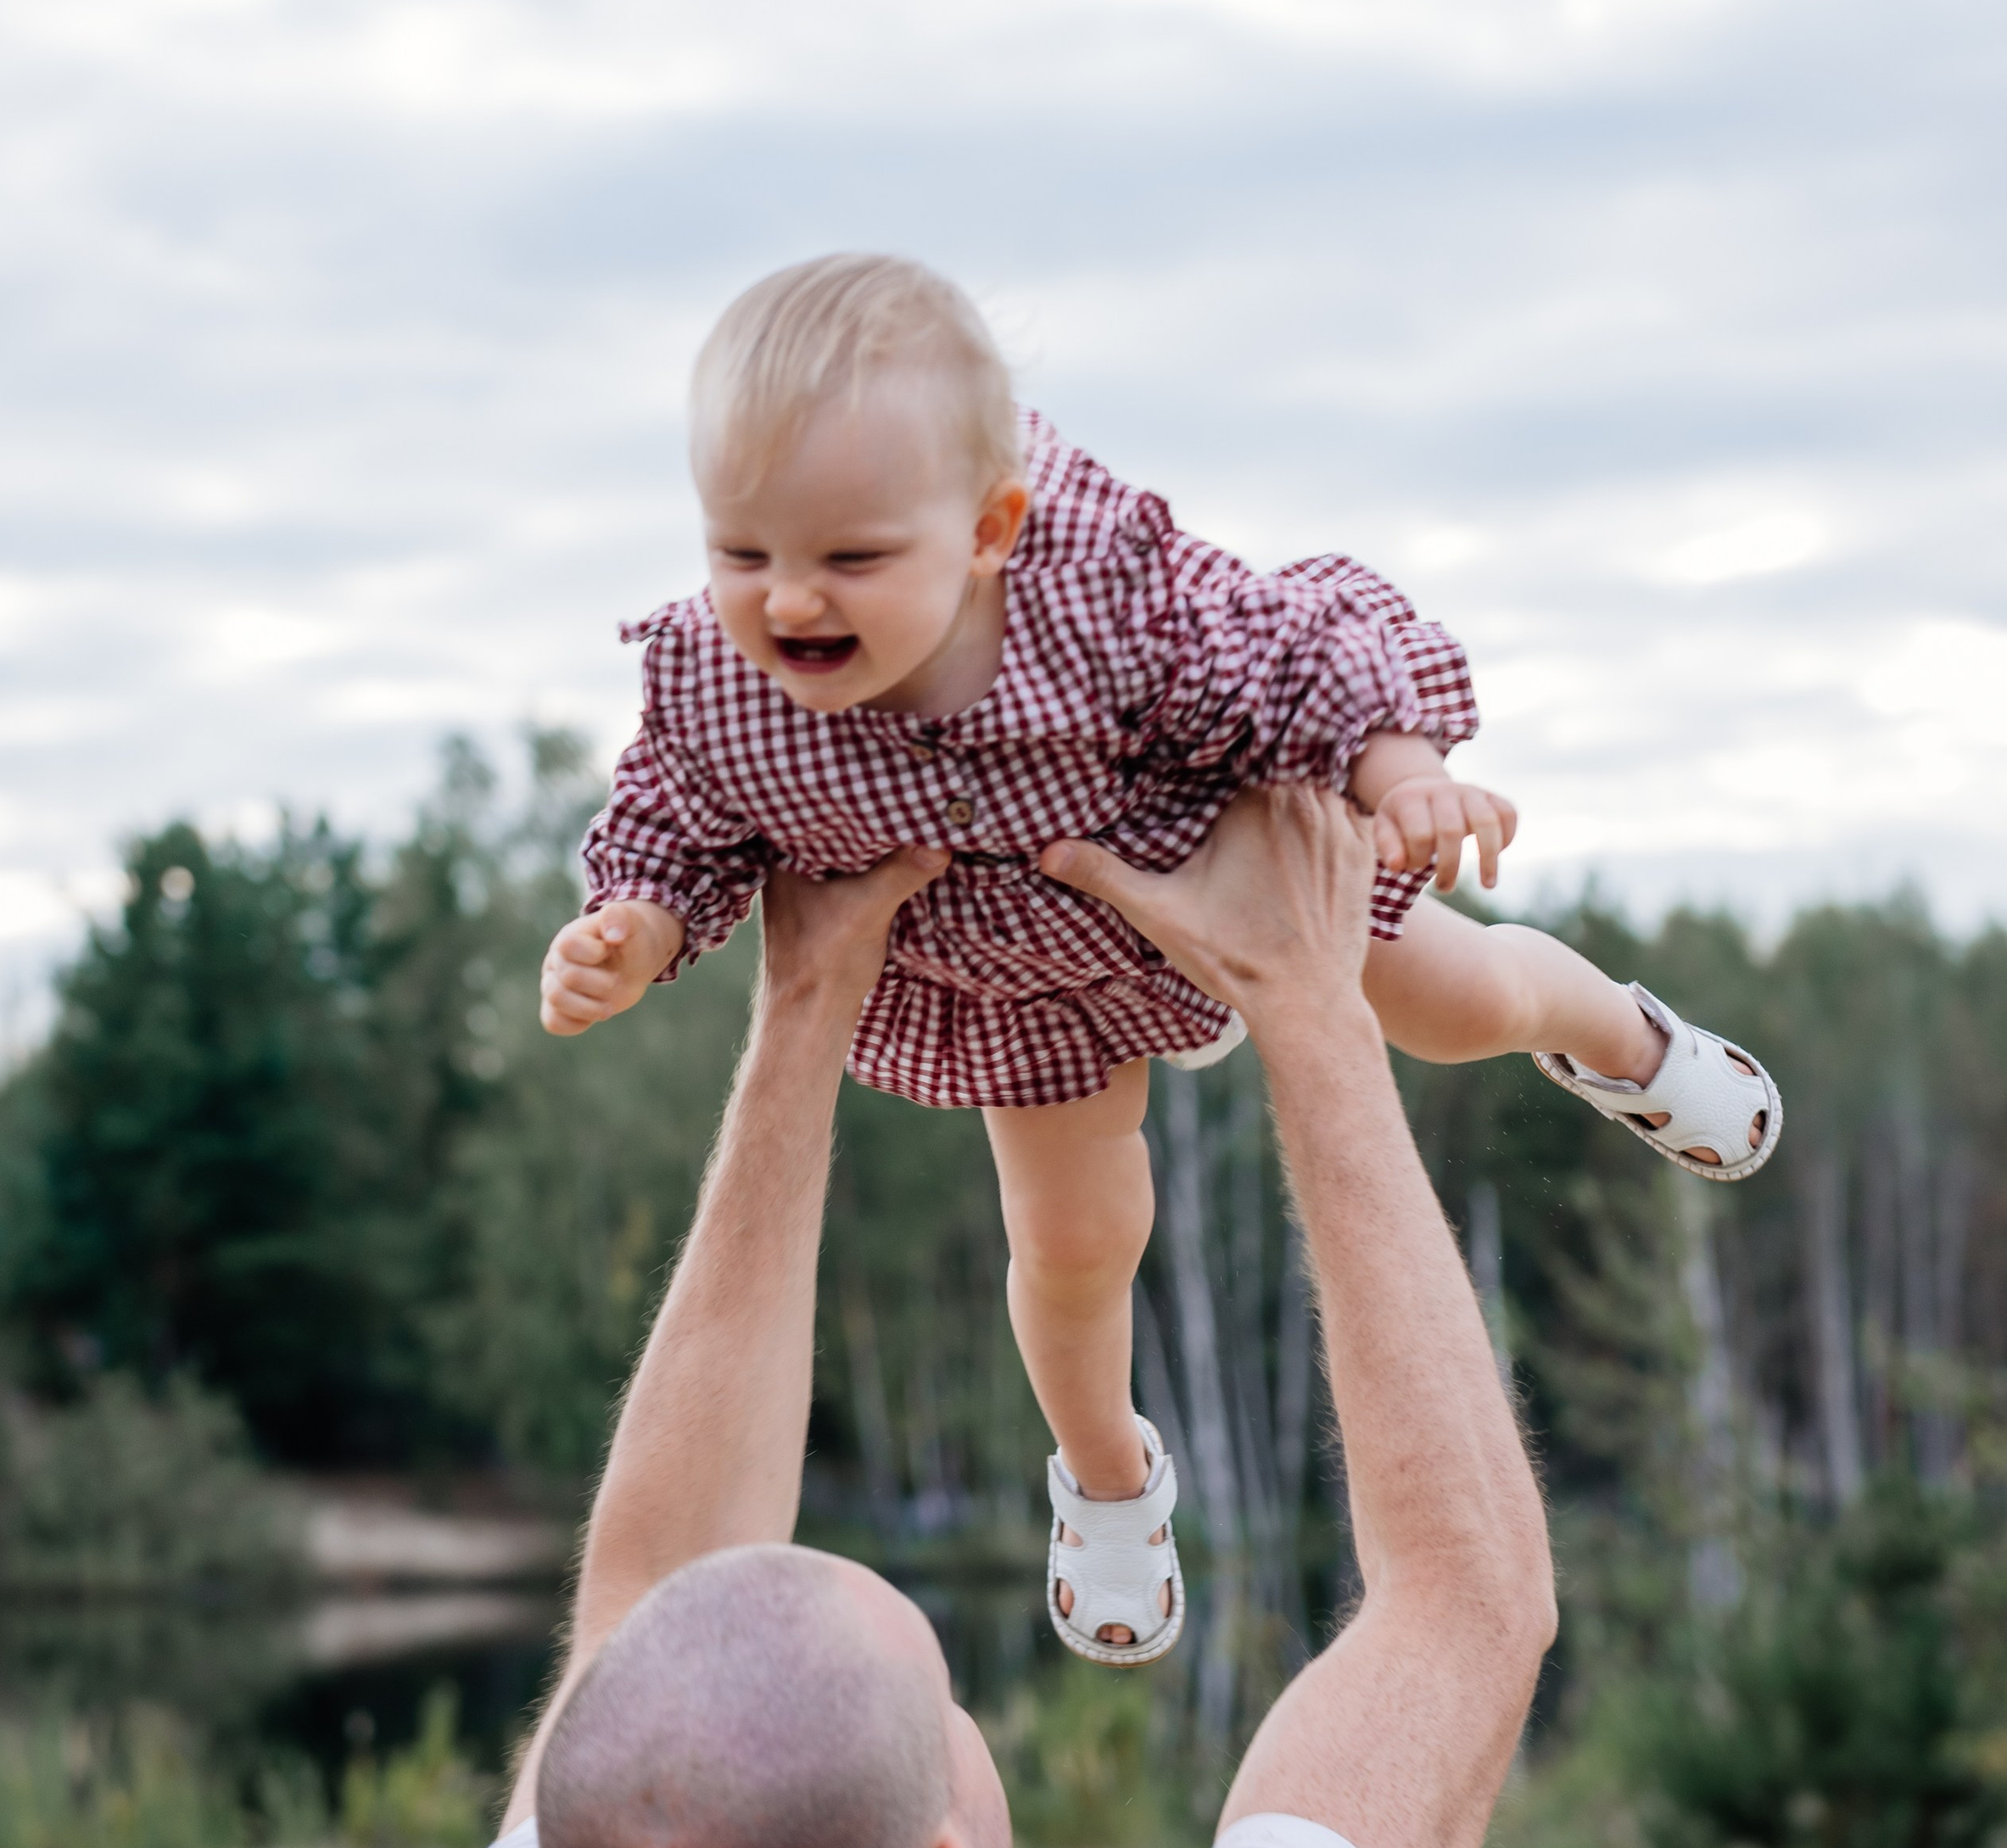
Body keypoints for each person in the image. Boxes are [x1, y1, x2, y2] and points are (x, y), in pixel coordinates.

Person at [371, 782, 1559, 1848]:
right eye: (939, 1695)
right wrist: (1303, 1001)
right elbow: (1464, 1604)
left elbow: (642, 1587)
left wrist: (808, 1004)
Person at [539, 253, 1781, 1662]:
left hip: (1222, 866)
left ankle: (1622, 1038)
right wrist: (634, 929)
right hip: (1018, 984)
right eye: (742, 554)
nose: (791, 603)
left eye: (852, 560)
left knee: (1461, 1001)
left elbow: (1305, 655)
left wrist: (1405, 772)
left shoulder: (1107, 590)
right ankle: (1110, 1478)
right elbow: (676, 820)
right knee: (1074, 1243)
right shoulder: (716, 682)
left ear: (990, 526)